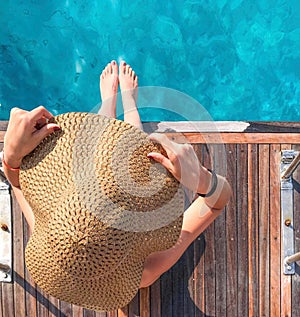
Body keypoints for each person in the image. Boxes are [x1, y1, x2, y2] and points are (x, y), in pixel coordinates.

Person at [3, 60, 231, 290]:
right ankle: (128, 104)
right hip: (120, 211)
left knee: (112, 161)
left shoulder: (52, 243)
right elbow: (217, 201)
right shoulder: (144, 273)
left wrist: (11, 159)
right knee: (128, 163)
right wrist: (200, 178)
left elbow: (19, 185)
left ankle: (109, 108)